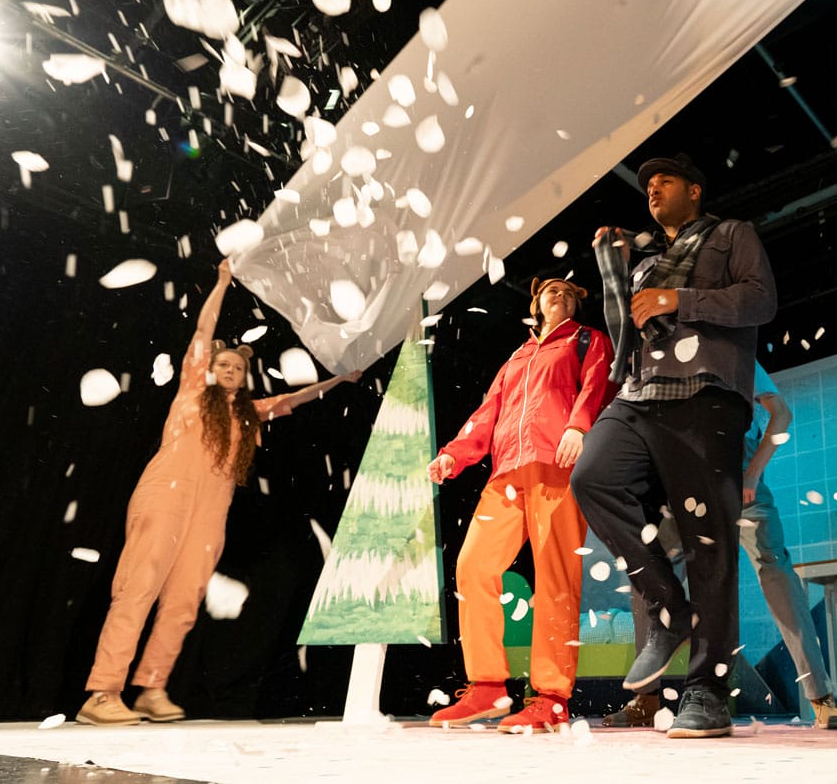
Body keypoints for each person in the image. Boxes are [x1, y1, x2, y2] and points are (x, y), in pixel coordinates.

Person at [77, 259, 363, 726]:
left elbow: (295, 399)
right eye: (223, 364)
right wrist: (222, 282)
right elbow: (202, 328)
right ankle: (103, 691)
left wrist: (339, 381)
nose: (230, 369)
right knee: (138, 589)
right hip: (165, 497)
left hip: (210, 514)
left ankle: (152, 687)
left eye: (236, 367)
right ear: (208, 370)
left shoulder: (250, 413)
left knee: (184, 601)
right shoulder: (191, 393)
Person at [570, 153, 777, 739]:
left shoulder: (731, 234)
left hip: (706, 390)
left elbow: (760, 300)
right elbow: (621, 333)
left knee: (707, 538)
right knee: (593, 477)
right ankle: (670, 608)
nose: (653, 190)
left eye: (664, 181)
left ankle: (707, 690)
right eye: (647, 186)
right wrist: (613, 270)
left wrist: (678, 301)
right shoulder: (647, 261)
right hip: (639, 393)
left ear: (695, 188)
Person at [603, 362, 837, 730]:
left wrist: (752, 473)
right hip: (683, 479)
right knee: (648, 572)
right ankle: (646, 699)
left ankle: (821, 697)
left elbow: (781, 414)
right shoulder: (667, 356)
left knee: (775, 570)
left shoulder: (734, 353)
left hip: (738, 468)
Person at [426, 277, 616, 733]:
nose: (561, 295)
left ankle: (551, 698)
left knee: (555, 578)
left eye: (570, 292)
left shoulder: (587, 340)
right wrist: (455, 453)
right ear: (535, 302)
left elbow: (597, 384)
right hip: (506, 474)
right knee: (472, 567)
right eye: (552, 290)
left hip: (558, 465)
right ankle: (488, 688)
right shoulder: (517, 356)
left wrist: (579, 427)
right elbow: (488, 411)